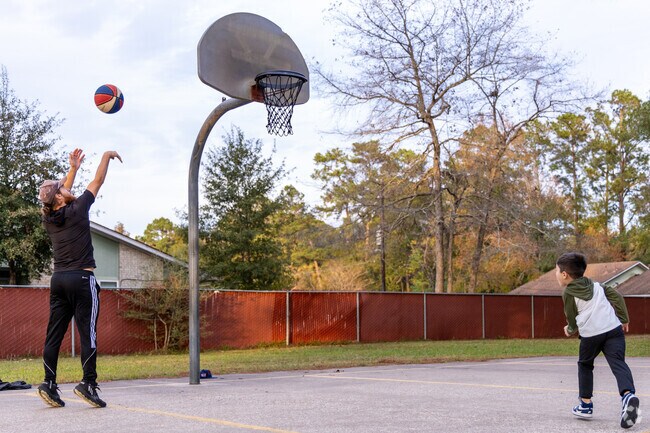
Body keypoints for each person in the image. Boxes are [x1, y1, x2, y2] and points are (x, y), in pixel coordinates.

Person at [36, 149, 122, 409]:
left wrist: (72, 168)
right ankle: (88, 383)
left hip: (59, 280)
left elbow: (59, 193)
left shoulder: (49, 218)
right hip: (82, 280)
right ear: (60, 200)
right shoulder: (78, 207)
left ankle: (49, 383)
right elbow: (98, 181)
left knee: (54, 334)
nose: (65, 187)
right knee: (88, 334)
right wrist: (106, 156)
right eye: (61, 189)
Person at [556, 252, 640, 429]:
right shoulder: (597, 286)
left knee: (585, 365)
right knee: (618, 363)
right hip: (613, 330)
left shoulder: (568, 292)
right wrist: (624, 319)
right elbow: (617, 297)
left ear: (564, 274)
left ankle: (585, 405)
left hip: (591, 336)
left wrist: (569, 329)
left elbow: (571, 317)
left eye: (557, 271)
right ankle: (627, 396)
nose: (556, 274)